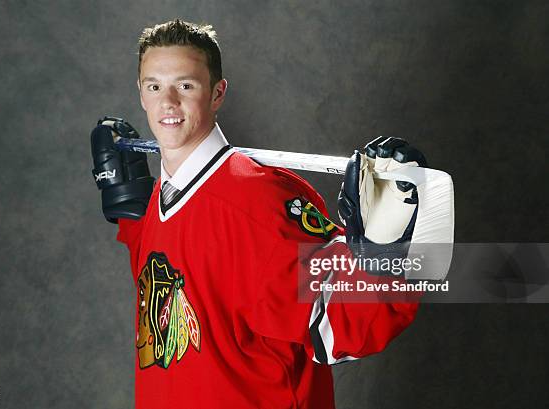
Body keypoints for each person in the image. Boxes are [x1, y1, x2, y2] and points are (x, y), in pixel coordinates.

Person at [91, 19, 425, 409]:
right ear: (141, 94)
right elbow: (183, 280)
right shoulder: (162, 201)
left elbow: (347, 324)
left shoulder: (260, 201)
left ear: (217, 93)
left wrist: (382, 250)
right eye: (154, 86)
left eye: (185, 85)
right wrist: (131, 211)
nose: (168, 102)